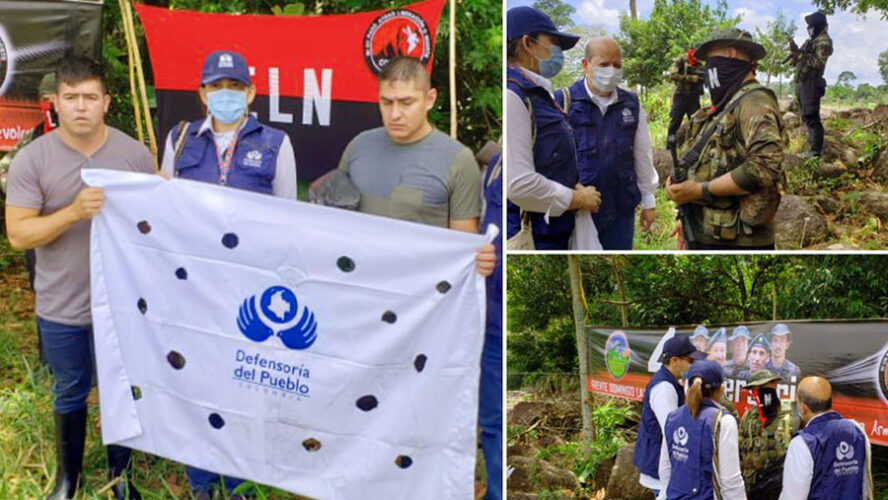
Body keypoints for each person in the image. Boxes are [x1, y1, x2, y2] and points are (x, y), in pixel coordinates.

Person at [5, 55, 155, 500]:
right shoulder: (33, 159)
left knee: (121, 392)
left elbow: (156, 227)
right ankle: (68, 480)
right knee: (70, 390)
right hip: (63, 304)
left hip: (125, 302)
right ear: (56, 103)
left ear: (107, 102)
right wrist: (72, 212)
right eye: (71, 98)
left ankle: (120, 478)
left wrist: (163, 193)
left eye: (90, 97)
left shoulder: (135, 155)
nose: (81, 107)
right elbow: (18, 234)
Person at [159, 49, 297, 500]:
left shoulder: (276, 144)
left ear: (251, 93)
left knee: (242, 389)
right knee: (194, 386)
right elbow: (164, 213)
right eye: (216, 88)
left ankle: (236, 485)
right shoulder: (179, 140)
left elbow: (289, 222)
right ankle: (202, 484)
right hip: (192, 290)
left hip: (249, 294)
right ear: (202, 94)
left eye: (234, 88)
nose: (225, 96)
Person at [338, 56, 495, 275]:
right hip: (357, 285)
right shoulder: (359, 146)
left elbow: (465, 249)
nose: (395, 114)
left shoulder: (459, 160)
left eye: (406, 102)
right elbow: (334, 223)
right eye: (386, 102)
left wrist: (481, 260)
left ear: (429, 99)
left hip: (420, 298)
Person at [666, 28, 785, 250]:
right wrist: (686, 215)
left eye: (711, 61)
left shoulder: (755, 102)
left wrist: (699, 190)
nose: (708, 69)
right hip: (705, 232)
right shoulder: (724, 105)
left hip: (738, 243)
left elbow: (765, 166)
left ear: (731, 54)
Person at [505, 6, 602, 250]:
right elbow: (519, 184)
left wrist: (574, 186)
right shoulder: (512, 94)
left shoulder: (538, 93)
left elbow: (547, 160)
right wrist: (579, 199)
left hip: (556, 230)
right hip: (535, 236)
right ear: (528, 43)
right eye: (553, 42)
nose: (558, 51)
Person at [555, 37, 658, 250]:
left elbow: (643, 154)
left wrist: (649, 202)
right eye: (604, 65)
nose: (611, 70)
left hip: (621, 209)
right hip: (578, 210)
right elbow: (552, 161)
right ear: (586, 66)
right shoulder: (563, 102)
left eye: (617, 65)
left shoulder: (631, 103)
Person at [0, 72, 58, 364]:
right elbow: (5, 177)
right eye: (46, 100)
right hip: (39, 230)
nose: (51, 105)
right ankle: (48, 361)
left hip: (83, 231)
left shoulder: (94, 136)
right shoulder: (32, 139)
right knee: (45, 293)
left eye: (56, 98)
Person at [659, 359, 746, 500]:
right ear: (721, 389)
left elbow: (665, 470)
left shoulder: (672, 417)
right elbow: (731, 482)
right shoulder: (723, 421)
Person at [633, 335, 706, 497]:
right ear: (674, 361)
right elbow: (671, 433)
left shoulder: (673, 382)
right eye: (690, 361)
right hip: (660, 472)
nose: (693, 365)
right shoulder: (665, 388)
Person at [779, 376, 873, 500]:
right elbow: (865, 486)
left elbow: (793, 497)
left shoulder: (803, 442)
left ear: (803, 407)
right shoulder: (857, 430)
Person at [478, 146, 502, 500]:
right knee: (492, 422)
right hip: (487, 318)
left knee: (496, 421)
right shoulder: (492, 168)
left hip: (499, 318)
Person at [739, 370, 799, 500]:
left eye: (761, 388)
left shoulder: (792, 414)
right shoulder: (749, 417)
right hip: (753, 489)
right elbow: (740, 453)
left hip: (782, 489)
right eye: (754, 390)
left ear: (775, 385)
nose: (756, 394)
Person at [790, 12, 833, 159]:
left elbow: (817, 62)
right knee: (806, 116)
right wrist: (795, 54)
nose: (809, 28)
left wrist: (800, 55)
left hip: (812, 82)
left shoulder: (823, 41)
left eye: (811, 26)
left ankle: (815, 152)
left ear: (818, 26)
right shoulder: (811, 41)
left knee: (812, 117)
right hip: (803, 82)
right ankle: (810, 148)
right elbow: (798, 60)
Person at [666, 45, 705, 151]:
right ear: (692, 52)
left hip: (693, 98)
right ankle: (670, 146)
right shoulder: (681, 59)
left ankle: (694, 147)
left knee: (696, 123)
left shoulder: (700, 65)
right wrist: (690, 78)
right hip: (680, 96)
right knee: (674, 122)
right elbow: (672, 75)